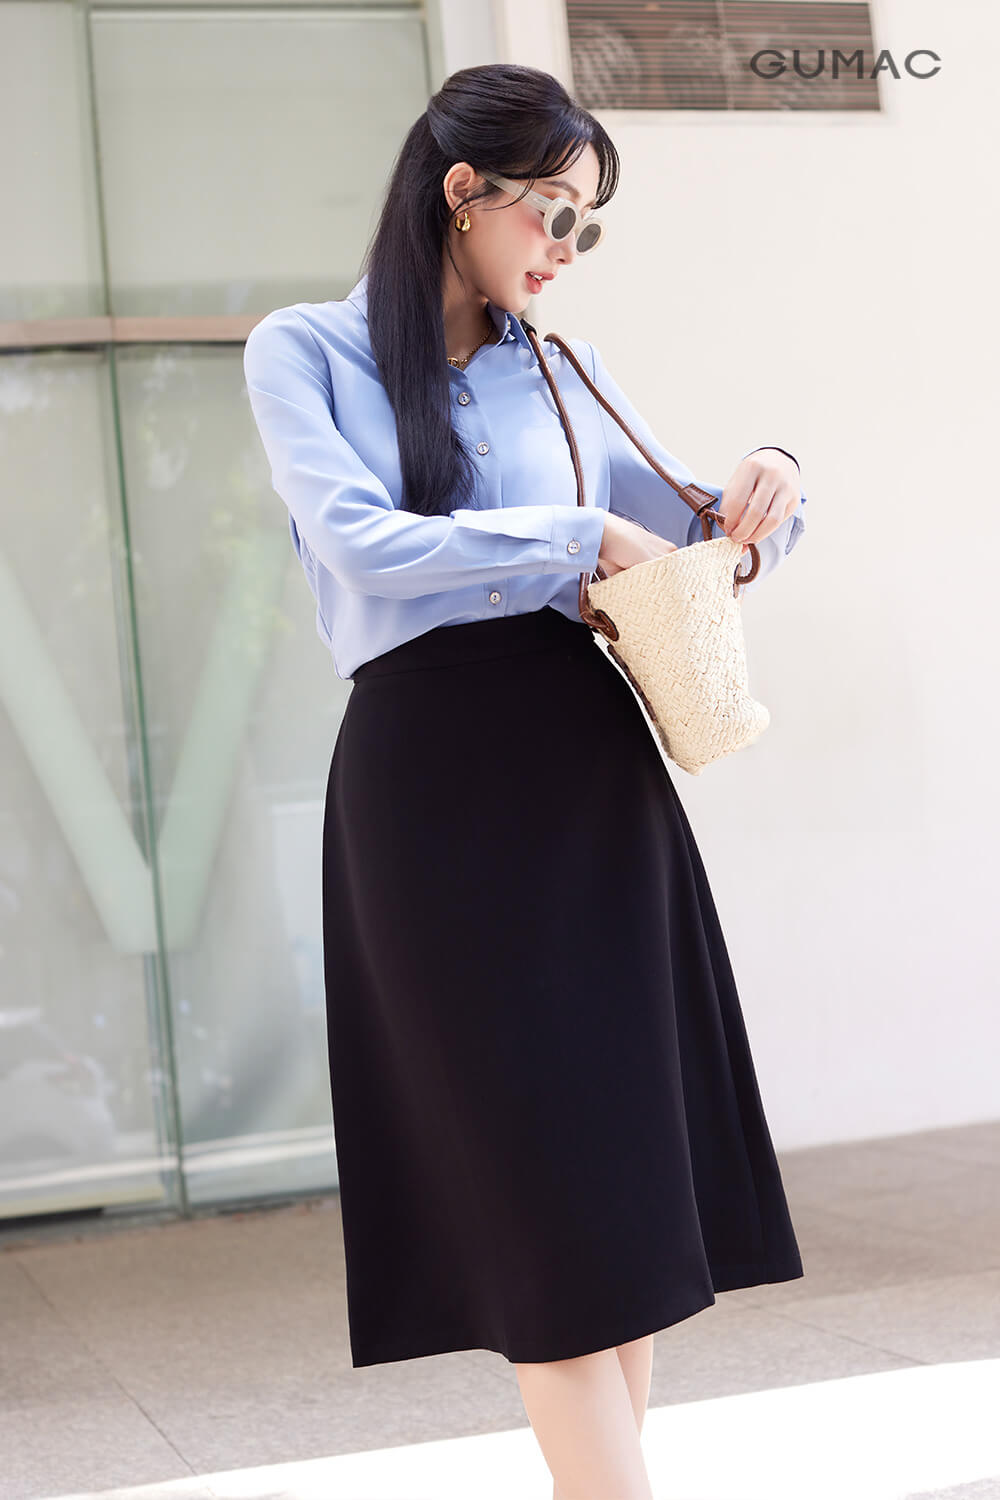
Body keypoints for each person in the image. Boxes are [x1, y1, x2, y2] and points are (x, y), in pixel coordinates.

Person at [243, 60, 807, 1500]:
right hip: (430, 783)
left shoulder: (561, 367)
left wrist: (771, 482)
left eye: (586, 224)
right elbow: (360, 542)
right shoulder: (305, 351)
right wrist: (577, 538)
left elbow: (698, 537)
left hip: (587, 776)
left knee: (613, 1189)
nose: (566, 248)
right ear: (463, 190)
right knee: (531, 1199)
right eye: (555, 211)